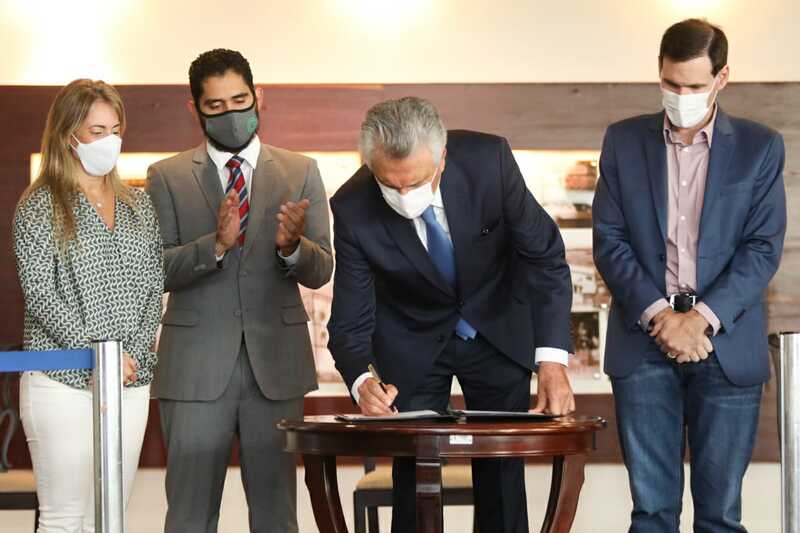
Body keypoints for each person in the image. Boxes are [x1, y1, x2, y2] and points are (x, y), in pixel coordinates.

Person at [327, 96, 574, 533]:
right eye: (390, 185)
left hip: (497, 328)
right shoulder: (351, 206)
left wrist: (552, 361)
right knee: (412, 477)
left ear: (442, 157)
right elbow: (349, 317)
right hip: (411, 342)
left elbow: (545, 259)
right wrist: (362, 380)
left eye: (415, 182)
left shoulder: (489, 162)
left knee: (502, 477)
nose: (405, 197)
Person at [592, 19, 786, 532]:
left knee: (720, 516)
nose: (681, 96)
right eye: (671, 84)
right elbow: (610, 241)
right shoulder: (622, 141)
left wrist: (698, 320)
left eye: (695, 86)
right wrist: (662, 317)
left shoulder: (760, 146)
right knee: (651, 514)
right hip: (643, 344)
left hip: (725, 347)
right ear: (659, 71)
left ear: (722, 78)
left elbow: (762, 248)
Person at [146, 48, 333, 533]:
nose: (230, 113)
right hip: (194, 368)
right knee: (189, 516)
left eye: (239, 100)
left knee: (276, 516)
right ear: (195, 108)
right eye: (215, 105)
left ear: (258, 96)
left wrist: (292, 247)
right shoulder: (166, 176)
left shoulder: (300, 170)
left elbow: (321, 269)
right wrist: (216, 245)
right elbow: (153, 271)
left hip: (277, 365)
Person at [12, 79, 163, 532]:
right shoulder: (39, 206)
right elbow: (41, 294)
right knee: (65, 518)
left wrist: (126, 357)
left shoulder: (139, 205)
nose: (108, 141)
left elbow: (153, 286)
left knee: (110, 517)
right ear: (67, 135)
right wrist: (98, 353)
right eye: (96, 131)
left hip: (130, 379)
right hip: (61, 380)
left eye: (115, 130)